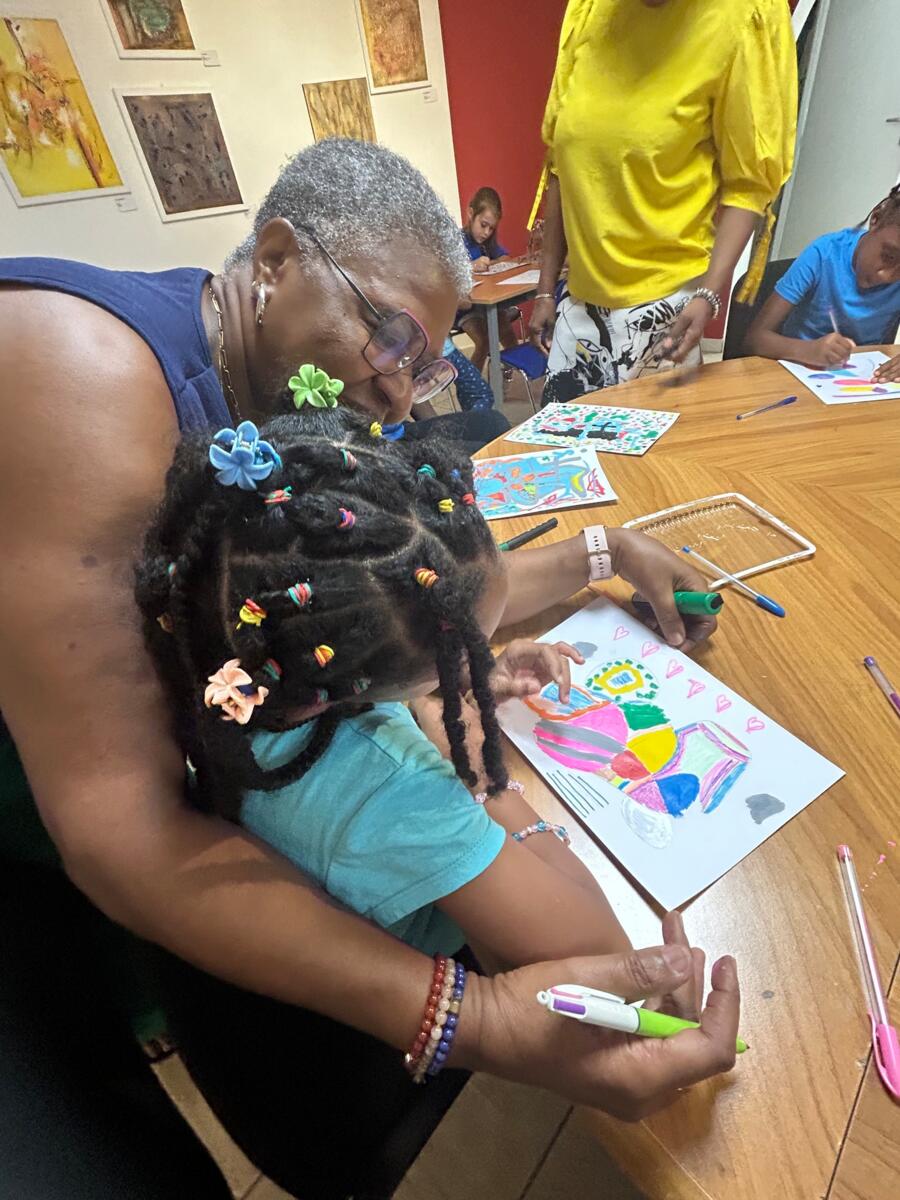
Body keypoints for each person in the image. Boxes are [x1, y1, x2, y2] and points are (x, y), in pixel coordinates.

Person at [0, 137, 741, 1199]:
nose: (399, 392)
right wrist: (475, 1013)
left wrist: (601, 550)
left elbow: (412, 591)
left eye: (424, 361)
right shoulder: (86, 383)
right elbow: (121, 828)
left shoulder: (283, 428)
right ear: (275, 259)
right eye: (389, 334)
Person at [136, 407, 632, 985]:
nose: (472, 667)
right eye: (460, 652)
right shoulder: (393, 791)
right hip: (454, 960)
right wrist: (475, 763)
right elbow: (603, 951)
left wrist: (439, 688)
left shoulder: (223, 661)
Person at [528, 0, 797, 402]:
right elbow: (561, 167)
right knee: (564, 444)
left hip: (666, 311)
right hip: (579, 308)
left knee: (656, 444)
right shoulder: (588, 11)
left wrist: (708, 295)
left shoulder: (740, 17)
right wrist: (546, 290)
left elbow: (748, 187)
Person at [745, 184, 900, 379]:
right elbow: (755, 339)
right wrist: (808, 350)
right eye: (888, 257)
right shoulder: (823, 254)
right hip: (794, 372)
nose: (887, 276)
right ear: (875, 219)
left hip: (865, 379)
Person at [457, 186, 520, 374]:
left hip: (489, 303)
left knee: (507, 334)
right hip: (465, 307)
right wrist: (471, 266)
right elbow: (446, 271)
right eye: (483, 225)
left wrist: (490, 263)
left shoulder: (487, 243)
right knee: (484, 341)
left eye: (491, 228)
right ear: (470, 214)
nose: (486, 232)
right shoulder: (458, 241)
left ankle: (506, 376)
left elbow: (506, 258)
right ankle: (473, 386)